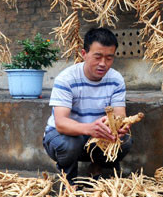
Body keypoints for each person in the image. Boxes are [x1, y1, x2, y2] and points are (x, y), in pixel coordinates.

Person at [42, 27, 133, 184]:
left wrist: (120, 126)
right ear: (84, 54)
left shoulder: (116, 79)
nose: (103, 64)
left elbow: (120, 115)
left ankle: (96, 168)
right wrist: (89, 128)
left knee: (124, 142)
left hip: (96, 137)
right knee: (70, 143)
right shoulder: (66, 79)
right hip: (62, 136)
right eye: (97, 57)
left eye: (109, 58)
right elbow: (61, 123)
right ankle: (68, 180)